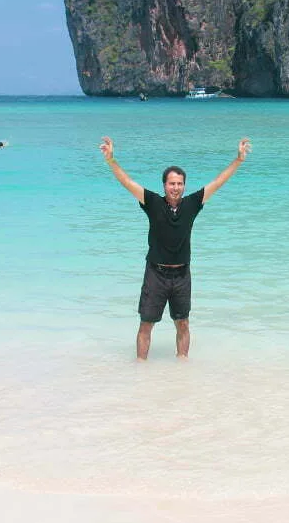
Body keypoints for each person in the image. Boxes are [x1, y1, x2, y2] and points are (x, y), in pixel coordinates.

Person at [100, 135, 250, 360]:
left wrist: (238, 160)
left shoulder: (192, 204)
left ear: (184, 185)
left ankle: (183, 368)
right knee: (146, 324)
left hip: (181, 274)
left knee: (183, 323)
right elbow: (128, 183)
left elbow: (218, 182)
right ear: (164, 185)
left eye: (180, 183)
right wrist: (111, 160)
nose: (176, 187)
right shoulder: (152, 203)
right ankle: (140, 367)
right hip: (155, 273)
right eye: (172, 183)